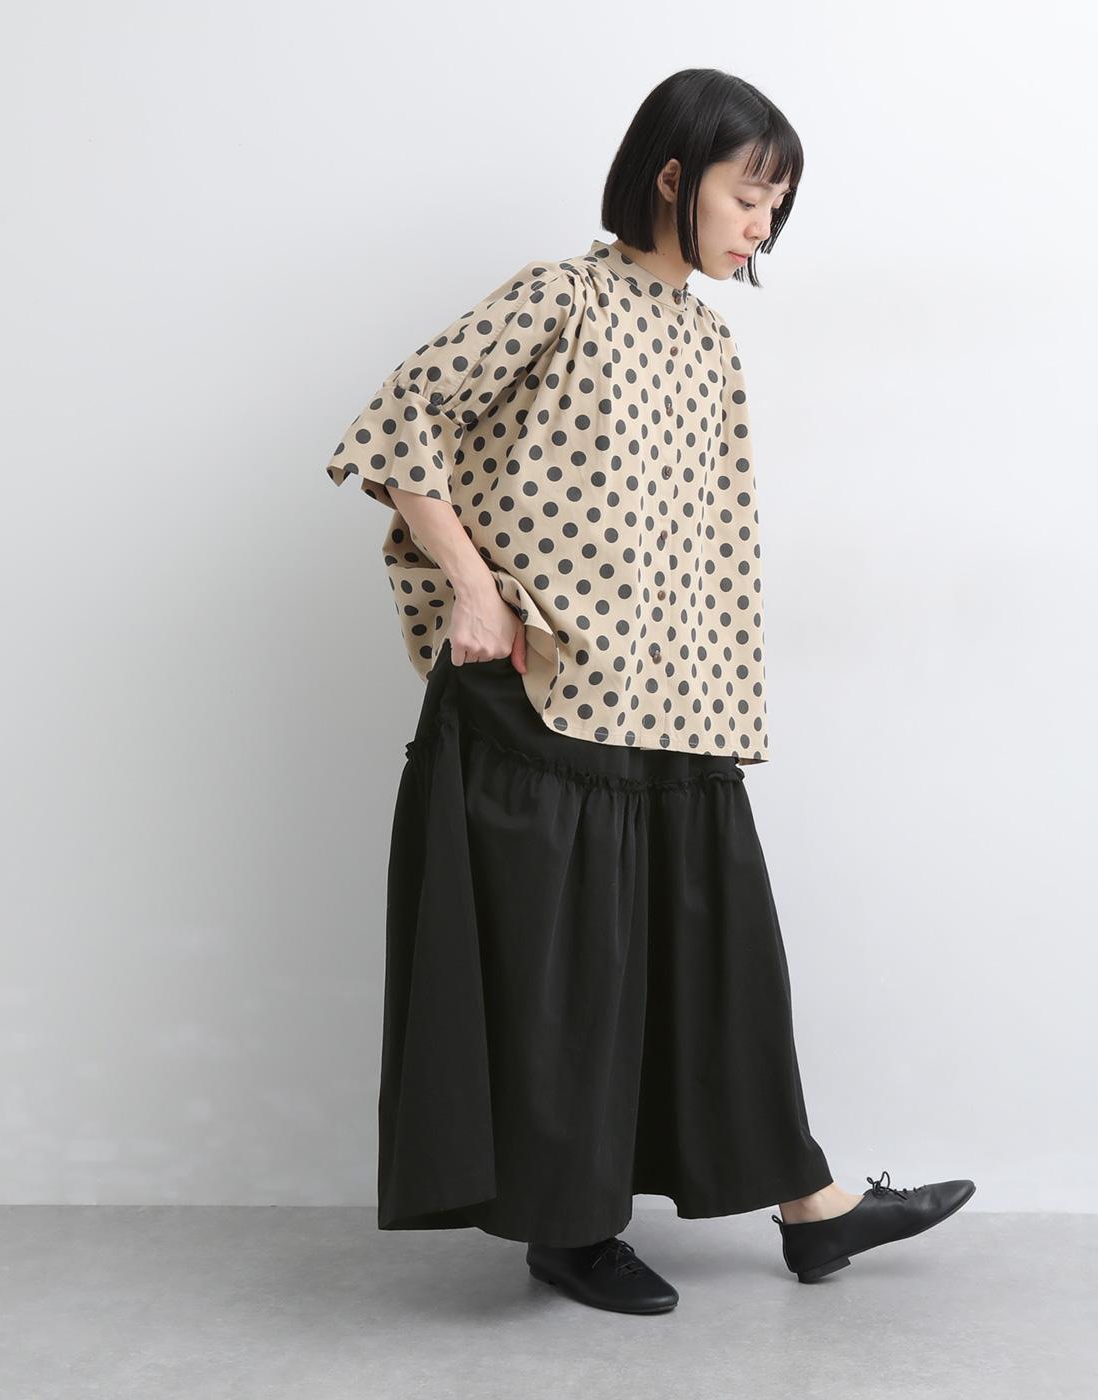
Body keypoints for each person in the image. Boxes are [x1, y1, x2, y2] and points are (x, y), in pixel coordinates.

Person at [323, 68, 975, 1316]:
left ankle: (812, 1205)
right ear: (673, 177)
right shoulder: (557, 297)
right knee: (569, 972)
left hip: (674, 701)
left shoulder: (709, 340)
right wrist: (473, 589)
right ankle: (570, 1230)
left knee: (717, 959)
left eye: (778, 208)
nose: (762, 228)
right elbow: (399, 421)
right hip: (540, 691)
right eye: (748, 196)